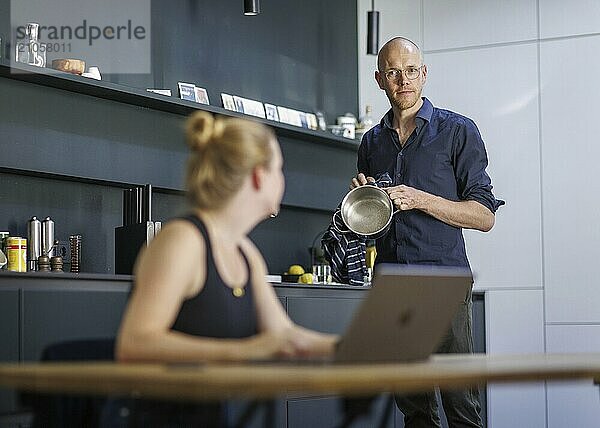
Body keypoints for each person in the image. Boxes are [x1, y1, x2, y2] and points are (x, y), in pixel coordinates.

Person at [115, 111, 337, 425]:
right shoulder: (183, 241)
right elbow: (134, 344)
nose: (283, 179)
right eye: (280, 169)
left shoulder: (245, 252)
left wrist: (353, 346)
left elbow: (284, 336)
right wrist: (246, 351)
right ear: (259, 176)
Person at [351, 37, 503, 428]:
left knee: (461, 407)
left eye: (412, 71)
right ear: (379, 80)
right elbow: (376, 225)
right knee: (414, 409)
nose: (404, 80)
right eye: (393, 73)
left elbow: (484, 216)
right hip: (392, 285)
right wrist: (366, 202)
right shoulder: (371, 142)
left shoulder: (457, 132)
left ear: (424, 74)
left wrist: (420, 198)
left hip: (445, 284)